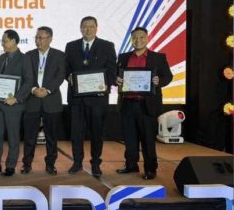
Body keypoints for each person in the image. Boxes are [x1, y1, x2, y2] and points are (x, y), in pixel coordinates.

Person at [115, 26, 173, 179]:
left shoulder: (158, 57)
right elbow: (116, 75)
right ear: (131, 40)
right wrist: (117, 79)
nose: (138, 40)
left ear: (147, 38)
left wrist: (159, 80)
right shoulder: (123, 57)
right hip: (127, 103)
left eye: (141, 37)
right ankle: (131, 165)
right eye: (135, 38)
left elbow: (168, 76)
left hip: (147, 105)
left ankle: (150, 169)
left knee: (148, 139)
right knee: (129, 138)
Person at [64, 16, 117, 177]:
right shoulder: (71, 46)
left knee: (97, 132)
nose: (88, 29)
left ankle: (95, 163)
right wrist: (68, 76)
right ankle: (77, 162)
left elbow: (112, 70)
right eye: (84, 27)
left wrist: (106, 84)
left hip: (98, 99)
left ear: (96, 28)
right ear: (80, 28)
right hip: (77, 98)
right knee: (76, 133)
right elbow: (65, 67)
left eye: (91, 27)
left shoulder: (107, 46)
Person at [0, 29, 34, 176]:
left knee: (13, 137)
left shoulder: (24, 58)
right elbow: (1, 80)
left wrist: (16, 98)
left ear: (13, 41)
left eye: (4, 41)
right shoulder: (1, 57)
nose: (2, 44)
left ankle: (10, 166)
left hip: (14, 105)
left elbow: (29, 81)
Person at [22, 26, 66, 175]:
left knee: (51, 137)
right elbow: (25, 76)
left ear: (50, 39)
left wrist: (47, 90)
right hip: (32, 101)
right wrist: (34, 89)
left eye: (41, 38)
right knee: (29, 136)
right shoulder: (28, 55)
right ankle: (27, 164)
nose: (38, 40)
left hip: (51, 101)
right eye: (36, 37)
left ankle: (50, 164)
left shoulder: (59, 55)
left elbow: (60, 76)